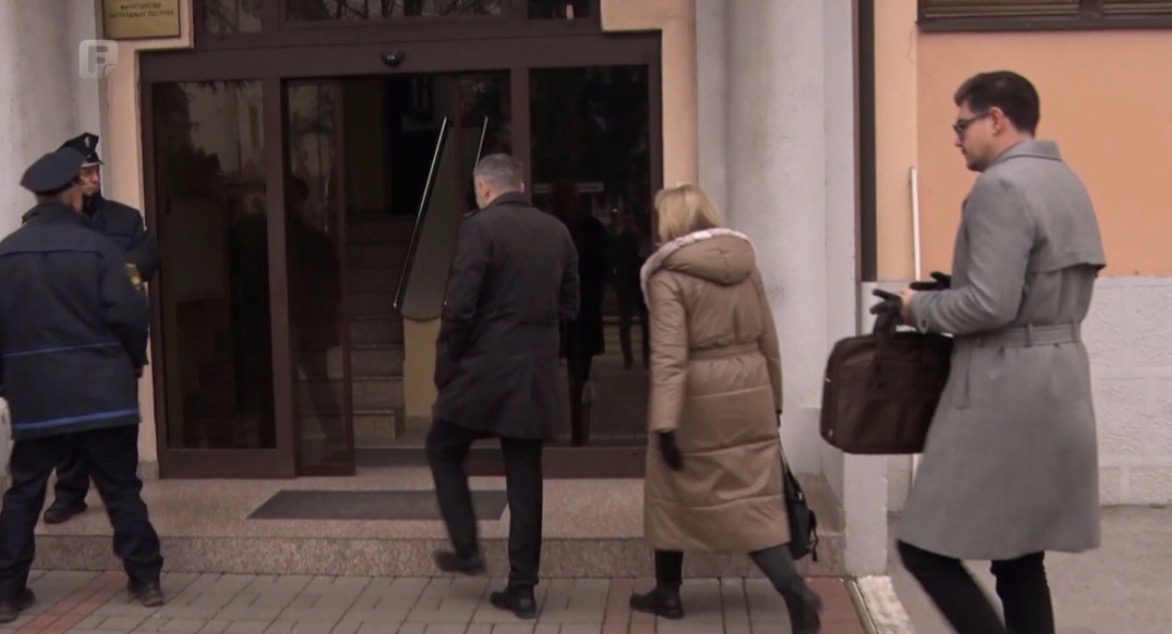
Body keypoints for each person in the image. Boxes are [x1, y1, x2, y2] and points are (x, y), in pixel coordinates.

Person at [893, 71, 1105, 634]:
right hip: (1060, 380)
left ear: (996, 119)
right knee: (1019, 559)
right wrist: (952, 289)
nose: (955, 137)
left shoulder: (1001, 187)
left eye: (961, 124)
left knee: (923, 546)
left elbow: (990, 304)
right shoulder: (1067, 181)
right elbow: (1030, 285)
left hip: (1002, 387)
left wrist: (917, 307)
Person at [630, 183, 822, 633]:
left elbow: (669, 356)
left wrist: (664, 424)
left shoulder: (667, 276)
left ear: (671, 220)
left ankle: (669, 592)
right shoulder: (745, 266)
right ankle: (790, 586)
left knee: (669, 488)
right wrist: (774, 401)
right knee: (750, 501)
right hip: (750, 389)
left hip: (697, 399)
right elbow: (769, 338)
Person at [0, 148, 165, 623]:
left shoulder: (7, 252)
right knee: (120, 487)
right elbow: (130, 314)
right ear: (73, 194)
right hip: (100, 391)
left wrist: (8, 382)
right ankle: (146, 580)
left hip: (37, 394)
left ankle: (7, 592)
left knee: (24, 492)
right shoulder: (99, 248)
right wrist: (129, 366)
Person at [426, 154, 579, 619]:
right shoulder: (557, 231)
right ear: (521, 185)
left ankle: (467, 548)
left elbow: (459, 307)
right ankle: (523, 589)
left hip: (484, 368)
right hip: (535, 370)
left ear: (484, 189)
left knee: (442, 445)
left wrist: (449, 362)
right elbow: (571, 305)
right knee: (525, 473)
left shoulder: (480, 228)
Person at [35, 132, 160, 526]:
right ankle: (69, 493)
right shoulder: (48, 225)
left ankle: (124, 492)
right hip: (68, 338)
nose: (92, 178)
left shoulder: (125, 218)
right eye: (84, 173)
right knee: (68, 424)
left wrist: (110, 278)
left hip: (113, 339)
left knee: (119, 424)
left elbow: (145, 261)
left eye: (95, 171)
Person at [548, 180, 609, 446]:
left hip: (571, 311)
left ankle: (576, 430)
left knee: (575, 373)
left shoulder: (555, 231)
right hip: (578, 310)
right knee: (577, 374)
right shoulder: (586, 230)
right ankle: (577, 431)